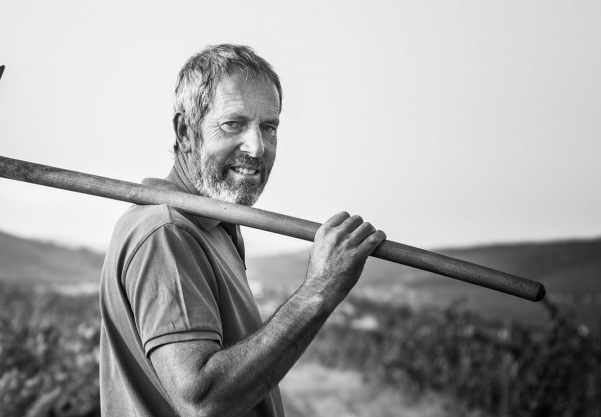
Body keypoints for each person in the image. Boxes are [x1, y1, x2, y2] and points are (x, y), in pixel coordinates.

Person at [99, 44, 386, 417]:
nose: (257, 146)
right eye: (233, 124)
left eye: (269, 127)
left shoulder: (216, 227)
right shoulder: (166, 234)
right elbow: (203, 399)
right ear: (186, 131)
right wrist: (319, 290)